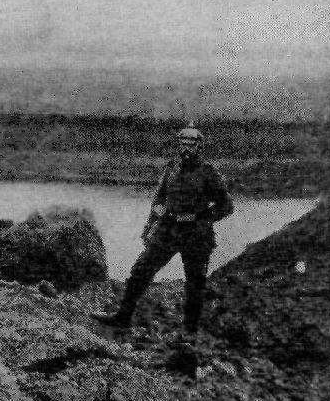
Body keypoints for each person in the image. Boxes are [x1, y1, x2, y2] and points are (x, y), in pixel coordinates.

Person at [93, 124, 234, 336]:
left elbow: (226, 206)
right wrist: (149, 226)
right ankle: (122, 317)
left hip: (196, 235)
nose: (186, 148)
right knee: (141, 270)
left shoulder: (208, 172)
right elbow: (159, 199)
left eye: (191, 144)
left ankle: (189, 333)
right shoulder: (172, 168)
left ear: (199, 146)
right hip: (168, 230)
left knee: (195, 283)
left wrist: (202, 219)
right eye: (182, 143)